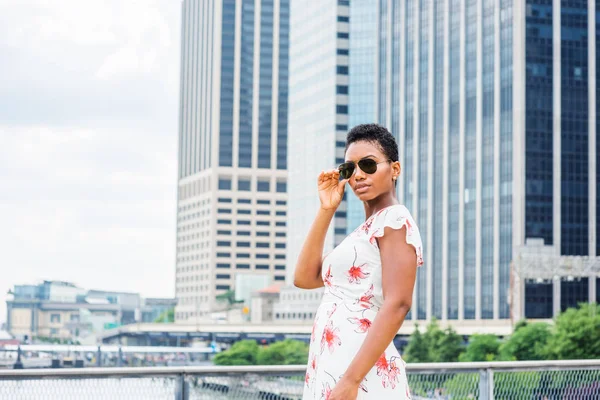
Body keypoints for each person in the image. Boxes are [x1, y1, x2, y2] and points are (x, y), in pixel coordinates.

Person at [294, 124, 423, 400]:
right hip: (334, 368)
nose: (359, 175)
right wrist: (327, 208)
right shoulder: (365, 232)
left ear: (395, 170)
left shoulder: (394, 221)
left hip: (360, 376)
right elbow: (304, 278)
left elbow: (398, 302)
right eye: (350, 168)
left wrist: (350, 381)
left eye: (369, 164)